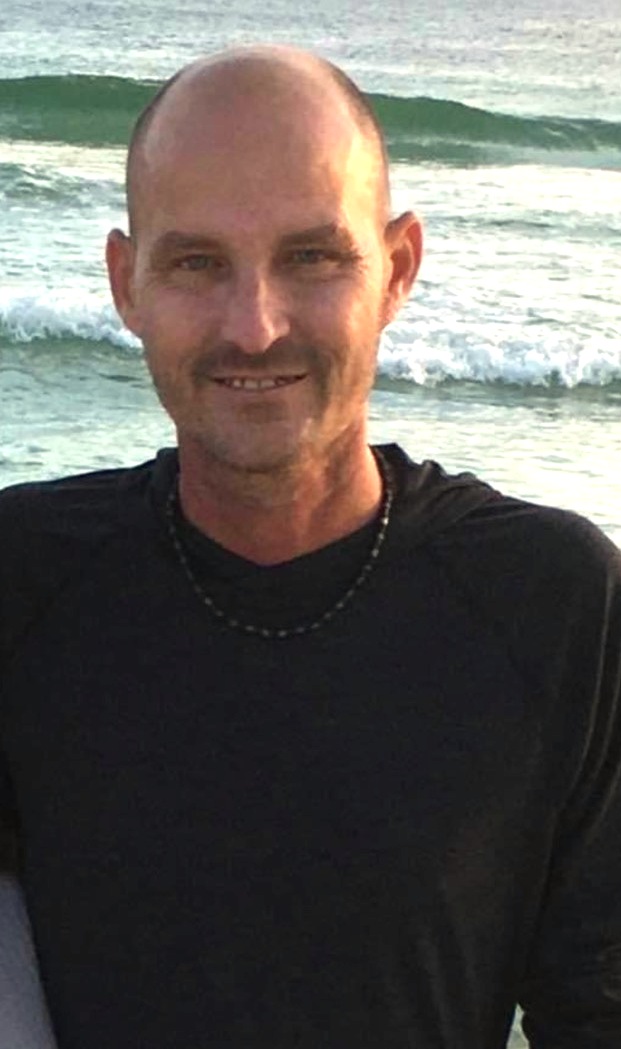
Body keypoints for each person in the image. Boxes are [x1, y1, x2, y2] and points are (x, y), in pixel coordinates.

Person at [0, 44, 620, 1049]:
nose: (254, 326)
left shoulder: (551, 601)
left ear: (397, 268)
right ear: (126, 283)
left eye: (312, 257)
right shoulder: (23, 580)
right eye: (197, 262)